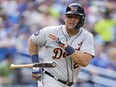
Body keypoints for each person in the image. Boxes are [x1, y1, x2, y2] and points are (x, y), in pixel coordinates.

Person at [28, 3, 95, 87]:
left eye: (76, 17)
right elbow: (32, 40)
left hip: (70, 83)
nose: (72, 20)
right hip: (50, 78)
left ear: (82, 20)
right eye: (69, 17)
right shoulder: (51, 31)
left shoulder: (86, 37)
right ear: (65, 18)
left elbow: (84, 62)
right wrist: (36, 64)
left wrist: (66, 47)